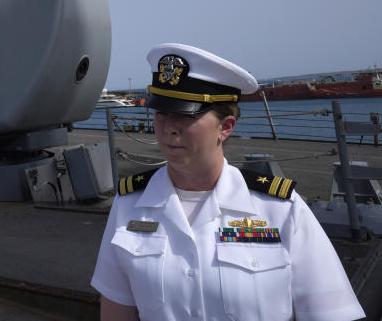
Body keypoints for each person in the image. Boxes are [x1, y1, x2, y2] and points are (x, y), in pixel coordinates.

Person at [91, 43, 364, 321]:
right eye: (161, 113)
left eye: (186, 114)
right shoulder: (129, 204)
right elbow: (117, 310)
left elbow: (332, 313)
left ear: (226, 127)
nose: (169, 127)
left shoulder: (280, 209)